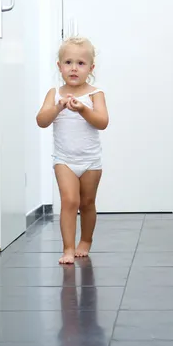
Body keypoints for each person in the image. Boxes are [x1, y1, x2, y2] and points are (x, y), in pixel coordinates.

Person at [36, 37, 109, 264]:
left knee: (87, 203)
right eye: (68, 62)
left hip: (90, 161)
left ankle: (85, 240)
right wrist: (58, 107)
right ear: (59, 66)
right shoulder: (54, 94)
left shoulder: (95, 94)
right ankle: (68, 248)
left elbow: (102, 121)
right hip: (64, 160)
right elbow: (41, 120)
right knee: (69, 201)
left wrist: (83, 110)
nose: (74, 68)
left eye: (80, 63)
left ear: (91, 68)